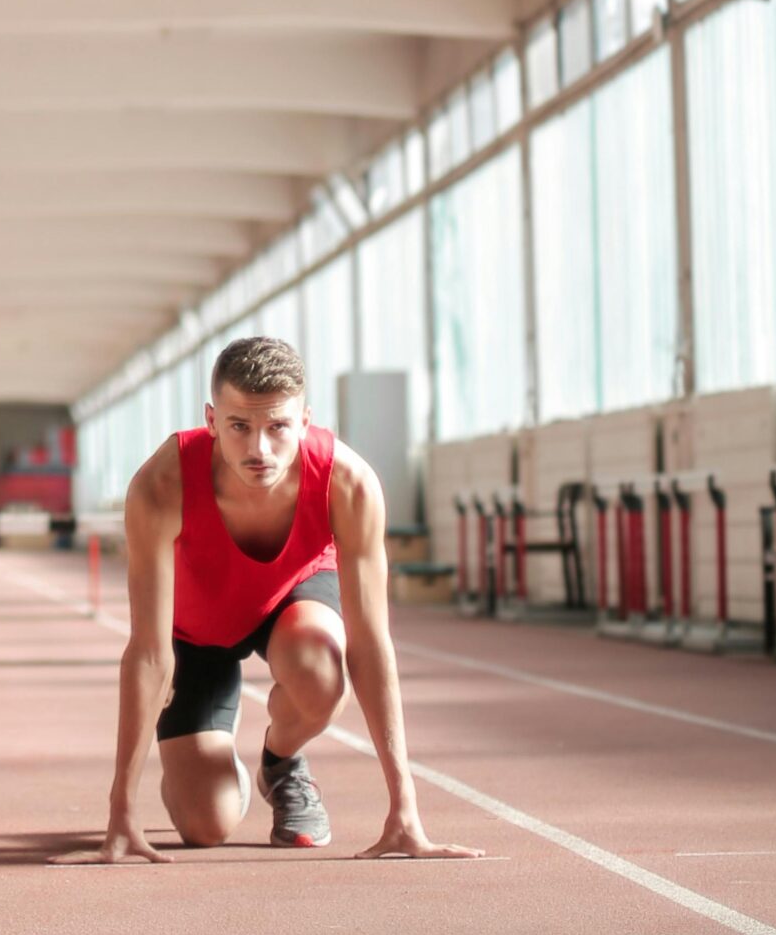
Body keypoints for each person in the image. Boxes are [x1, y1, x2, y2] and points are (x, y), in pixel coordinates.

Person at [66, 335, 479, 864]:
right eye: (240, 427)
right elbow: (149, 651)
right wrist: (120, 809)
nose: (259, 449)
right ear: (211, 420)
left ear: (304, 421)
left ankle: (280, 762)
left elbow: (372, 645)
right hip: (197, 633)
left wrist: (406, 809)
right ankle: (211, 765)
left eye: (277, 427)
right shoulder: (162, 484)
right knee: (204, 825)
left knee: (322, 672)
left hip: (293, 601)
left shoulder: (347, 483)